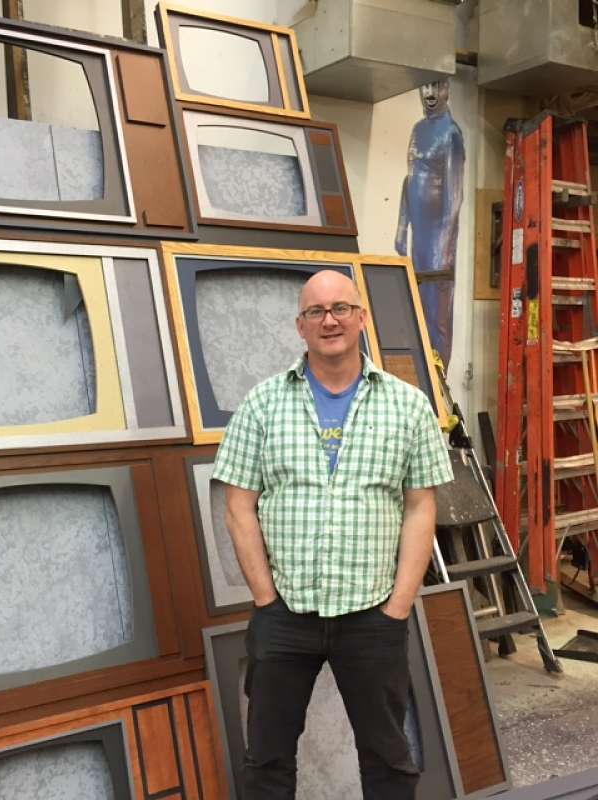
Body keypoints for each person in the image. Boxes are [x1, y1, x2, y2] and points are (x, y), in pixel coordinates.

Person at [212, 270, 453, 800]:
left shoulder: (408, 406)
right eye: (316, 312)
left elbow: (421, 508)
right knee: (267, 760)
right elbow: (238, 507)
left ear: (361, 318)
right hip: (284, 616)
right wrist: (265, 599)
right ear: (300, 326)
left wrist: (398, 607)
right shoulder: (262, 404)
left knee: (388, 761)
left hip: (372, 616)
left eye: (341, 308)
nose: (330, 321)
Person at [395, 78, 465, 367]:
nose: (430, 93)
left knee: (438, 313)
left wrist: (443, 246)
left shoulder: (451, 133)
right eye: (425, 86)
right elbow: (409, 179)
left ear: (447, 89)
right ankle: (421, 375)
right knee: (417, 308)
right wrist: (402, 226)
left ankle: (440, 380)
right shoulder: (417, 129)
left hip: (439, 240)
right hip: (419, 239)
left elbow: (455, 195)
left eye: (437, 86)